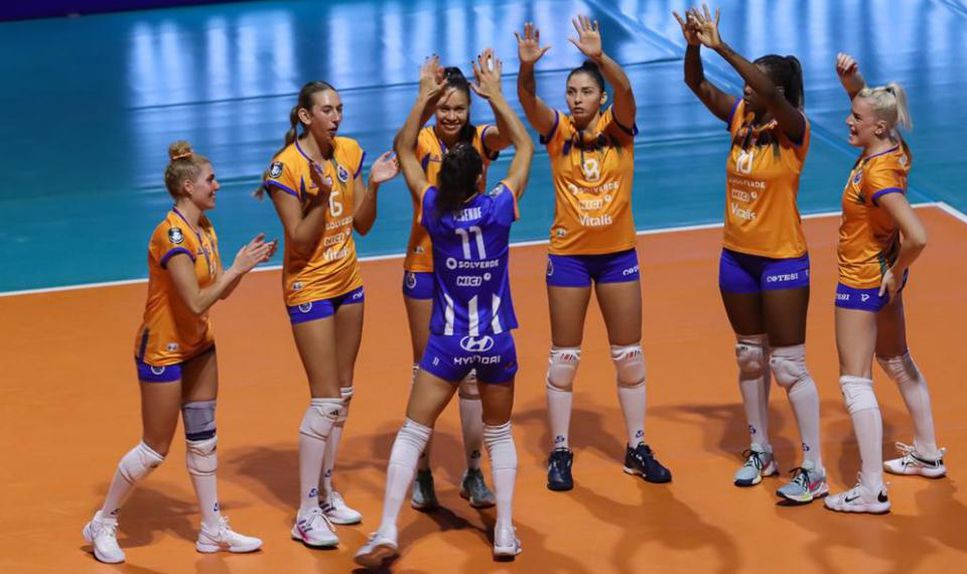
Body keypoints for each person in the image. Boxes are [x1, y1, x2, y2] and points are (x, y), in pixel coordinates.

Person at [355, 50, 533, 569]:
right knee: (501, 432)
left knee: (412, 427)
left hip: (449, 340)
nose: (452, 114)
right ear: (481, 179)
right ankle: (504, 531)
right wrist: (496, 92)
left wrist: (420, 96)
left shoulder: (432, 207)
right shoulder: (499, 208)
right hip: (495, 339)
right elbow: (525, 148)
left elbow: (402, 151)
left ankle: (387, 528)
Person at [83, 141, 275, 563]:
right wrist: (238, 268)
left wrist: (241, 268)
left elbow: (217, 293)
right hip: (163, 349)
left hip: (199, 345)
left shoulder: (205, 227)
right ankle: (103, 522)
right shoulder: (171, 235)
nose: (217, 186)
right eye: (211, 180)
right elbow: (195, 301)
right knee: (155, 449)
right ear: (188, 187)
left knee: (204, 439)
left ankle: (211, 528)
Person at [673, 5, 826, 502]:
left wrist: (722, 46)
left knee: (789, 367)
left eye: (755, 82)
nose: (745, 87)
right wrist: (694, 46)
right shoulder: (740, 116)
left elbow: (767, 91)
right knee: (750, 358)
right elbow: (696, 83)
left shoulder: (794, 129)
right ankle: (761, 450)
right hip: (737, 257)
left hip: (782, 258)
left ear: (774, 91)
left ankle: (814, 467)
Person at [516, 16, 670, 492]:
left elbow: (626, 90)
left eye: (586, 91)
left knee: (630, 357)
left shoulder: (619, 127)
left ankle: (637, 446)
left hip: (617, 255)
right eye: (571, 92)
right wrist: (526, 69)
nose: (577, 99)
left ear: (600, 98)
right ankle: (560, 450)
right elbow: (528, 101)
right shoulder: (557, 130)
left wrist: (600, 57)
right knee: (564, 358)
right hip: (569, 257)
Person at [258, 81, 399, 546]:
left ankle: (326, 492)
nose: (336, 117)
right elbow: (298, 239)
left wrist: (373, 186)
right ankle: (305, 514)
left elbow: (362, 225)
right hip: (310, 286)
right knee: (324, 400)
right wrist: (319, 198)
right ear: (305, 116)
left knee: (343, 393)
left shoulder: (349, 151)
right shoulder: (286, 167)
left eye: (339, 108)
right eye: (326, 110)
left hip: (348, 282)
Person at [824, 53, 945, 514]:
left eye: (855, 118)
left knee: (854, 381)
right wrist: (853, 81)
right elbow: (872, 105)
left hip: (862, 280)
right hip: (885, 276)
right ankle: (928, 453)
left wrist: (894, 268)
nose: (848, 120)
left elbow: (918, 235)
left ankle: (871, 489)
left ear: (877, 126)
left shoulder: (876, 176)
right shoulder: (893, 146)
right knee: (896, 359)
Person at [402, 65, 511, 511]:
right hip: (425, 266)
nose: (450, 115)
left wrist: (495, 96)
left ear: (470, 109)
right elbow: (402, 143)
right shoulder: (423, 138)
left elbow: (509, 135)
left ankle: (473, 471)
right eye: (444, 107)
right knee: (424, 370)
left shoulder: (480, 139)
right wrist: (422, 99)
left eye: (459, 108)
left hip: (468, 272)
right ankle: (423, 473)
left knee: (470, 378)